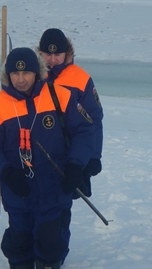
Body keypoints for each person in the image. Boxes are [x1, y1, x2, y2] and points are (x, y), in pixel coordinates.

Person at [0, 47, 95, 269]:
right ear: (7, 75)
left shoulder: (60, 95)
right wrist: (6, 173)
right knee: (19, 242)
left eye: (27, 73)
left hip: (54, 186)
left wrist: (76, 165)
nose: (21, 80)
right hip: (18, 189)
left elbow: (84, 131)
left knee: (51, 242)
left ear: (37, 73)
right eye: (15, 74)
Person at [37, 28, 104, 198]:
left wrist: (94, 155)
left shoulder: (80, 78)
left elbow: (94, 118)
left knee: (62, 201)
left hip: (72, 151)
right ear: (40, 53)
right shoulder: (33, 76)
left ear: (66, 53)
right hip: (41, 149)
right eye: (47, 55)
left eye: (57, 55)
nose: (52, 60)